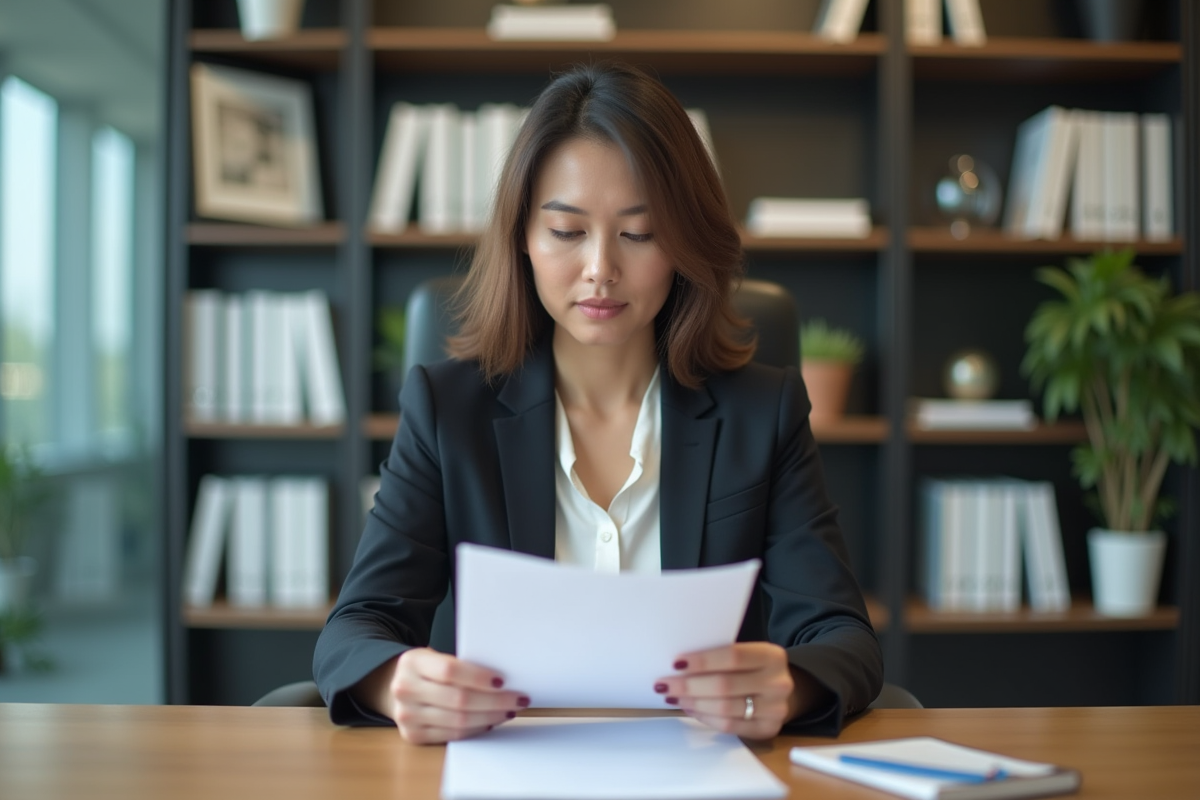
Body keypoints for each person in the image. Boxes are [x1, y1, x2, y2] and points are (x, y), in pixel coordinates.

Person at [313, 62, 882, 745]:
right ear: (523, 237)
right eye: (566, 230)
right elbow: (354, 630)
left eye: (638, 234)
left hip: (702, 772)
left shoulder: (762, 412)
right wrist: (396, 682)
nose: (600, 269)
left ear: (683, 244)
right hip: (508, 768)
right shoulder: (448, 411)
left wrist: (791, 685)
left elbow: (844, 638)